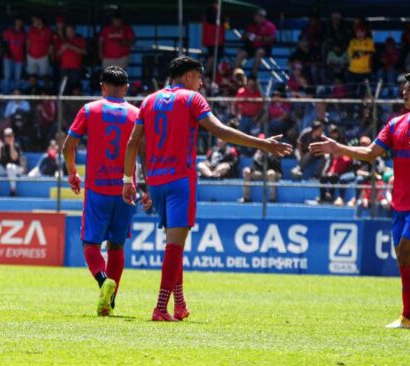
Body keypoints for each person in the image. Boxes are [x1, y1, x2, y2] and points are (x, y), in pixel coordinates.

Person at [123, 56, 291, 321]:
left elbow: (134, 143)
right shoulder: (192, 99)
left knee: (173, 241)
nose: (201, 84)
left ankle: (179, 304)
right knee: (175, 246)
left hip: (155, 181)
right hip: (180, 180)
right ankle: (160, 307)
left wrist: (129, 180)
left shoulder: (148, 100)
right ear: (189, 76)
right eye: (199, 79)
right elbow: (221, 132)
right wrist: (263, 144)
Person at [311, 71, 410, 329]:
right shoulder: (396, 124)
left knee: (405, 254)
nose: (404, 92)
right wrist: (339, 148)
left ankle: (409, 318)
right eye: (404, 88)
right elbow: (370, 153)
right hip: (400, 203)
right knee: (409, 261)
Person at [63, 66, 140, 316]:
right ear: (127, 88)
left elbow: (69, 145)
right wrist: (146, 184)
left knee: (90, 244)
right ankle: (110, 301)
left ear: (102, 87)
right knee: (117, 246)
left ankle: (103, 281)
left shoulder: (90, 109)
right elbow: (147, 151)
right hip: (125, 189)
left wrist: (73, 172)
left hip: (98, 188)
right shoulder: (137, 114)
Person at [240, 135, 283, 203]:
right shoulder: (257, 153)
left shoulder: (273, 150)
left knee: (270, 172)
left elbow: (275, 166)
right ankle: (246, 198)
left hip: (275, 173)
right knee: (246, 171)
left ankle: (273, 198)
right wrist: (251, 169)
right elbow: (254, 167)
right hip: (262, 173)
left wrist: (267, 154)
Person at [0, 128, 26, 197]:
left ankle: (13, 190)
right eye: (6, 136)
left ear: (13, 136)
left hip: (16, 169)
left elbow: (14, 157)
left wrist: (11, 145)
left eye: (10, 135)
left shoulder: (16, 146)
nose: (8, 137)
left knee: (10, 166)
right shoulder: (1, 146)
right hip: (4, 169)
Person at [55, 24, 87, 93]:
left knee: (75, 88)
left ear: (74, 31)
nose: (69, 33)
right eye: (68, 31)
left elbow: (84, 52)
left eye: (71, 31)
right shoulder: (62, 40)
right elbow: (56, 55)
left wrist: (71, 47)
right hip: (64, 68)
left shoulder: (79, 39)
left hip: (75, 68)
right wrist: (62, 50)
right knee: (63, 88)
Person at [347, 22, 376, 97]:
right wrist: (363, 53)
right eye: (358, 32)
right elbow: (352, 54)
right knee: (351, 91)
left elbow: (371, 52)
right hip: (353, 70)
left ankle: (363, 107)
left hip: (365, 71)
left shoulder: (369, 41)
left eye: (361, 32)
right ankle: (351, 107)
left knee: (364, 91)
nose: (360, 34)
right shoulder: (352, 42)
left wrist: (359, 52)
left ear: (365, 32)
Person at [1, 18, 27, 89]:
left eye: (21, 21)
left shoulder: (24, 33)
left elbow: (25, 46)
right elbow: (5, 44)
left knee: (17, 77)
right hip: (8, 58)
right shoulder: (9, 31)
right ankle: (6, 95)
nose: (19, 22)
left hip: (19, 58)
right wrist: (10, 55)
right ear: (15, 21)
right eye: (18, 21)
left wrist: (24, 58)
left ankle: (16, 94)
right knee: (7, 76)